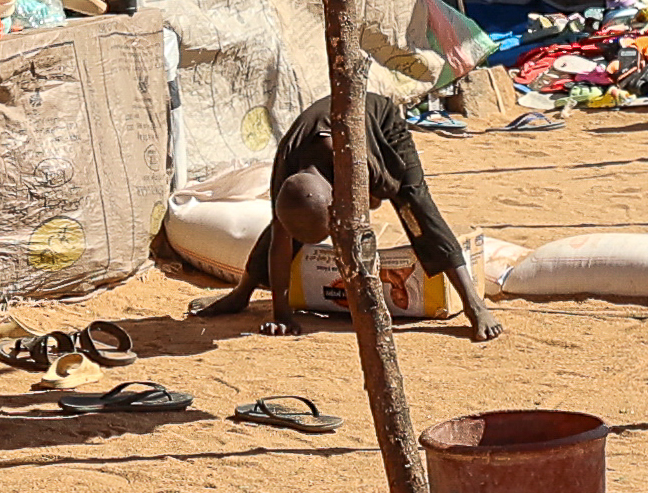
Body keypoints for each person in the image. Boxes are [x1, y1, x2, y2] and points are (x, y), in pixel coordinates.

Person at [194, 90, 503, 342]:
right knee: (282, 225)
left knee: (416, 209)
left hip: (380, 127)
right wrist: (281, 316)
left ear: (335, 201)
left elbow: (379, 199)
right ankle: (241, 293)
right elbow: (281, 241)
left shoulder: (354, 160)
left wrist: (352, 207)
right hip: (326, 165)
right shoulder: (286, 171)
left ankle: (474, 305)